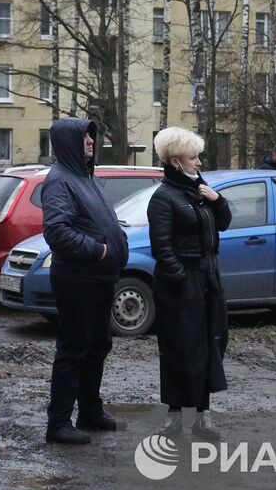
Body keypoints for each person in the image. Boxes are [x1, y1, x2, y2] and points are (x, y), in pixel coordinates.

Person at [40, 118, 130, 445]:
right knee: (73, 350)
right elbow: (57, 232)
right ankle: (59, 422)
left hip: (100, 278)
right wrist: (99, 250)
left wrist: (117, 241)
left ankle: (90, 411)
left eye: (92, 137)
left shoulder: (86, 177)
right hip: (77, 279)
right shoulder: (59, 181)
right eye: (85, 138)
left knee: (97, 346)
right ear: (68, 143)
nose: (91, 142)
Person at [147, 126, 232, 440]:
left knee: (212, 343)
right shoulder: (163, 197)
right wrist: (182, 280)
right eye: (193, 157)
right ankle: (173, 415)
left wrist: (218, 199)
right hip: (180, 283)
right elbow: (161, 247)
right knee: (180, 349)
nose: (199, 163)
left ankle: (203, 414)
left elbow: (223, 222)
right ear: (175, 162)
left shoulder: (201, 190)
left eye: (198, 156)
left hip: (209, 279)